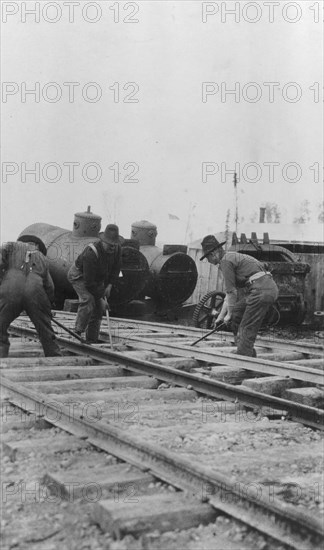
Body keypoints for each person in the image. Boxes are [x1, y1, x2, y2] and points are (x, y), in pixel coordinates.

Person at [200, 235, 279, 357]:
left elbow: (232, 293)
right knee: (237, 312)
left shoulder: (226, 261)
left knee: (246, 326)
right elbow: (229, 294)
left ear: (214, 253)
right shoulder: (231, 257)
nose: (209, 261)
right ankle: (246, 351)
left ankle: (244, 358)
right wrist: (221, 317)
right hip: (263, 289)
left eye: (208, 258)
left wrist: (228, 315)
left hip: (261, 290)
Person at [0, 235, 61, 357]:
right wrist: (46, 309)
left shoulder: (10, 247)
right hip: (36, 293)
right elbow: (50, 287)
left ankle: (1, 360)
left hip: (11, 290)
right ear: (37, 246)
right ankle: (55, 357)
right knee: (45, 330)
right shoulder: (42, 258)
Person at [68, 224, 121, 343]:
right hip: (79, 276)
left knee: (98, 309)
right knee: (88, 299)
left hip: (97, 278)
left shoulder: (117, 249)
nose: (112, 247)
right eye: (109, 244)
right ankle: (77, 333)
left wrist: (110, 285)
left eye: (114, 245)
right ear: (102, 241)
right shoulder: (91, 253)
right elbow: (89, 283)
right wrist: (100, 299)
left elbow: (116, 268)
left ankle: (92, 338)